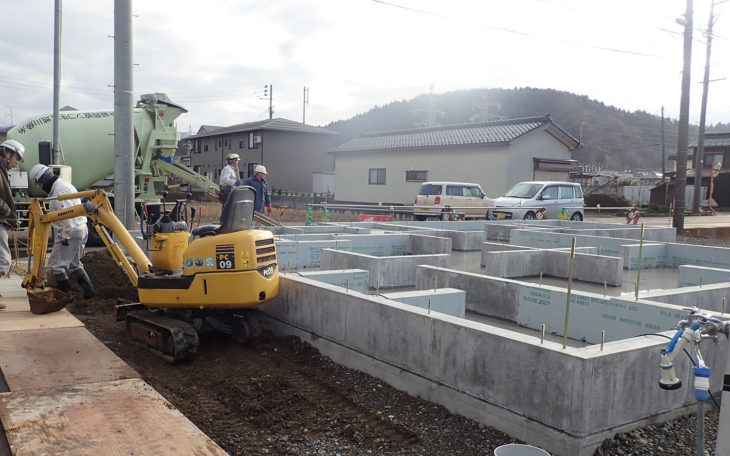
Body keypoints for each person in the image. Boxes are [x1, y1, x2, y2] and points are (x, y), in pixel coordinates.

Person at [28, 164, 96, 299]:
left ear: (43, 181)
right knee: (74, 265)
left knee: (55, 267)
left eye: (40, 184)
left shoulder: (60, 190)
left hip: (70, 231)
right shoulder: (63, 186)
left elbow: (68, 215)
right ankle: (90, 293)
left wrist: (65, 237)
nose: (41, 187)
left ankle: (67, 295)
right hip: (80, 229)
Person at [0, 140, 23, 309]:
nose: (16, 163)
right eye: (16, 158)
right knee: (3, 260)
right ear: (7, 154)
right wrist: (6, 209)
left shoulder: (3, 172)